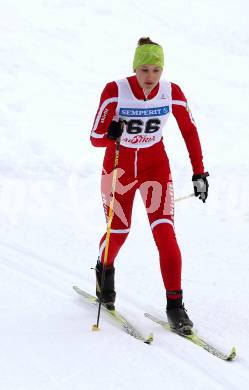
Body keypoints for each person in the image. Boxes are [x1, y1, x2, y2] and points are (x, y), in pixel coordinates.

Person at [90, 37, 209, 334]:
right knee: (118, 231)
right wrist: (111, 134)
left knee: (165, 233)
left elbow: (189, 131)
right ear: (135, 68)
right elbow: (95, 137)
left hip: (155, 168)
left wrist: (199, 173)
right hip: (118, 168)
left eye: (156, 70)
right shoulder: (115, 90)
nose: (150, 77)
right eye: (144, 70)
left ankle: (176, 306)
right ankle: (104, 271)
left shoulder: (171, 92)